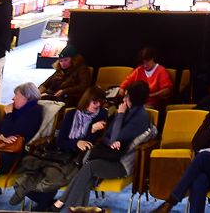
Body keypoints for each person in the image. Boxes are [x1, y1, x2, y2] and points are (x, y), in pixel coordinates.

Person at [54, 80, 152, 211]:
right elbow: (108, 137)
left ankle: (63, 204)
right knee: (87, 171)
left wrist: (120, 116)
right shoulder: (128, 111)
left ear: (132, 98)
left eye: (126, 95)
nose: (124, 98)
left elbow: (114, 137)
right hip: (109, 156)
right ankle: (73, 207)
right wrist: (112, 138)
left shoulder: (140, 117)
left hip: (121, 164)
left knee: (89, 167)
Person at [9, 87, 107, 207]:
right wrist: (76, 143)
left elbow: (90, 144)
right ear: (87, 100)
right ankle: (41, 200)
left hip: (78, 158)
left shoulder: (101, 115)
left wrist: (91, 131)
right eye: (95, 102)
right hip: (61, 153)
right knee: (43, 170)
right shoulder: (72, 114)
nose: (97, 105)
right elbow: (61, 141)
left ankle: (32, 195)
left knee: (56, 175)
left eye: (100, 103)